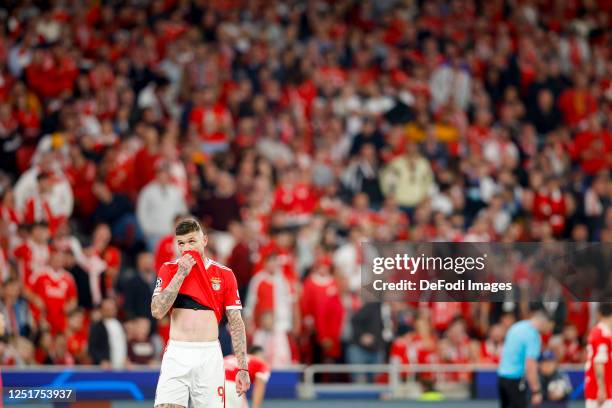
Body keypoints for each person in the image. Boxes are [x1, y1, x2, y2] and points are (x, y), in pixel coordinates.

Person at [151, 217, 249, 407]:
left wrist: (242, 367)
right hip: (178, 353)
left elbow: (236, 323)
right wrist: (181, 274)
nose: (186, 248)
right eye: (181, 243)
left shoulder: (224, 274)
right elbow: (157, 311)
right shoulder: (169, 269)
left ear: (204, 240)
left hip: (208, 355)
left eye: (191, 241)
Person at [497, 306, 551, 407]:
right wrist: (536, 390)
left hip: (501, 378)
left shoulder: (517, 326)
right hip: (515, 380)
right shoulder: (533, 335)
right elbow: (530, 365)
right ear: (544, 322)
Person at [585, 303, 612, 408]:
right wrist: (601, 389)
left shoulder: (603, 333)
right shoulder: (601, 334)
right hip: (601, 393)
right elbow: (598, 362)